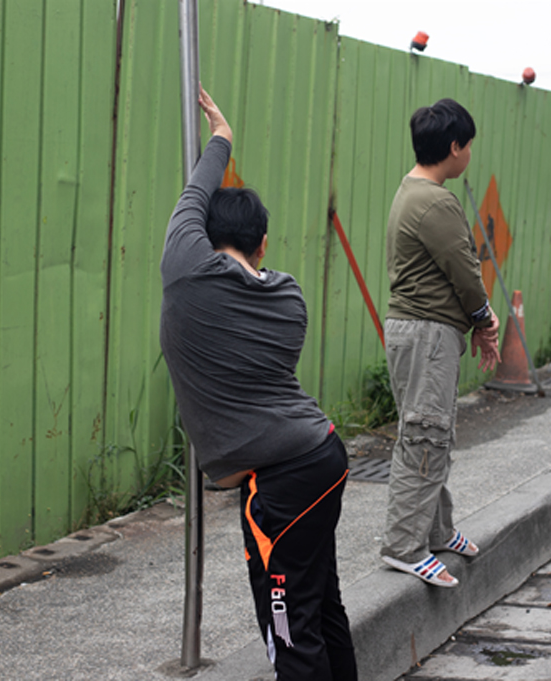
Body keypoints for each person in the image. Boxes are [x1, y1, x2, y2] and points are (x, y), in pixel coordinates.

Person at [159, 85, 357, 680]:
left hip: (283, 485)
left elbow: (194, 196)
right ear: (263, 243)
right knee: (321, 607)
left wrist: (221, 137)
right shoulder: (288, 295)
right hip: (320, 458)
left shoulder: (187, 272)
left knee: (289, 633)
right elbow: (203, 215)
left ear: (204, 237)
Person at [380, 98, 501, 588]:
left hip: (421, 332)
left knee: (430, 433)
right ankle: (404, 547)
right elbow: (464, 271)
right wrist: (485, 320)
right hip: (427, 333)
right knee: (426, 437)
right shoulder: (436, 201)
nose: (470, 154)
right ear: (454, 147)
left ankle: (437, 531)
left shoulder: (411, 192)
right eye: (468, 145)